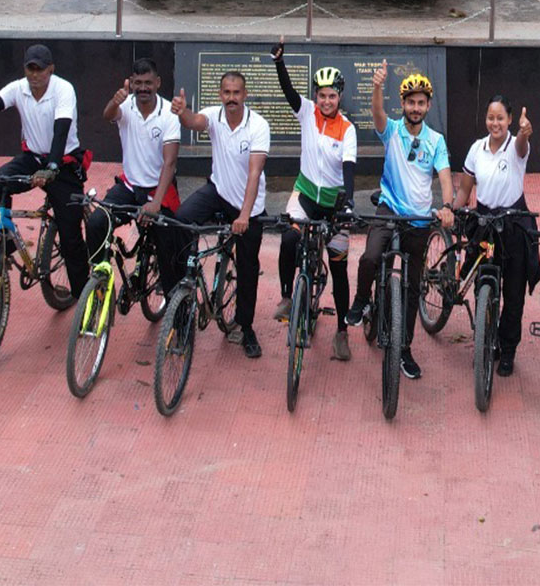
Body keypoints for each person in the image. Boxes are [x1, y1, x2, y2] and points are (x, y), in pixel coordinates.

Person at [0, 43, 92, 300]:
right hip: (32, 158)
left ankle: (83, 297)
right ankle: (6, 237)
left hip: (63, 162)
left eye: (39, 70)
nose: (34, 75)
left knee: (70, 238)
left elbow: (61, 130)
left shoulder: (63, 89)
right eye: (30, 69)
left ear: (51, 69)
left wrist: (52, 168)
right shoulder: (18, 88)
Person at [347, 63, 453, 382]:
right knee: (370, 256)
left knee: (410, 288)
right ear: (403, 104)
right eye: (410, 102)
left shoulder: (436, 141)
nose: (416, 108)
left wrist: (447, 206)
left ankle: (404, 350)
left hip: (419, 221)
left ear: (428, 105)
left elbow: (445, 177)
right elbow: (377, 112)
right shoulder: (392, 130)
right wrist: (377, 87)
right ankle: (363, 300)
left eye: (421, 102)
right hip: (389, 208)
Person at [171, 71, 271, 359]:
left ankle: (246, 326)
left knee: (248, 265)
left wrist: (244, 215)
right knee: (180, 220)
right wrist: (182, 113)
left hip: (247, 204)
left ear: (245, 94)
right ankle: (185, 289)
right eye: (226, 93)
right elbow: (194, 122)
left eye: (236, 93)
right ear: (220, 95)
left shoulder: (258, 126)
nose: (231, 98)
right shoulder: (214, 116)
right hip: (218, 190)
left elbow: (254, 173)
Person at [270, 39, 357, 362]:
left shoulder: (347, 129)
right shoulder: (306, 112)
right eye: (321, 95)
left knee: (339, 268)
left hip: (334, 203)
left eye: (332, 95)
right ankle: (286, 297)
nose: (326, 100)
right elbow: (289, 91)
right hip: (305, 194)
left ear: (339, 96)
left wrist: (346, 199)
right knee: (290, 237)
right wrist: (280, 63)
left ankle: (343, 333)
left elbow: (349, 167)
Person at [86, 59, 186, 305]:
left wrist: (156, 203)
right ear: (131, 83)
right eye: (138, 83)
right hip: (129, 187)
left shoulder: (169, 113)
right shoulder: (126, 106)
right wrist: (114, 101)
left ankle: (177, 311)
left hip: (158, 190)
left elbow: (170, 163)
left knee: (169, 250)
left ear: (158, 83)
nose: (143, 88)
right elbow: (108, 114)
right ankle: (98, 279)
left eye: (148, 83)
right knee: (98, 221)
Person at [453, 95, 539, 377]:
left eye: (500, 118)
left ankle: (508, 348)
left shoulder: (516, 146)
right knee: (483, 284)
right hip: (485, 224)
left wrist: (525, 133)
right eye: (491, 117)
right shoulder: (476, 149)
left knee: (514, 293)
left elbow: (522, 145)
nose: (495, 123)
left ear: (510, 120)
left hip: (513, 224)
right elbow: (465, 189)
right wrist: (454, 212)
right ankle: (485, 337)